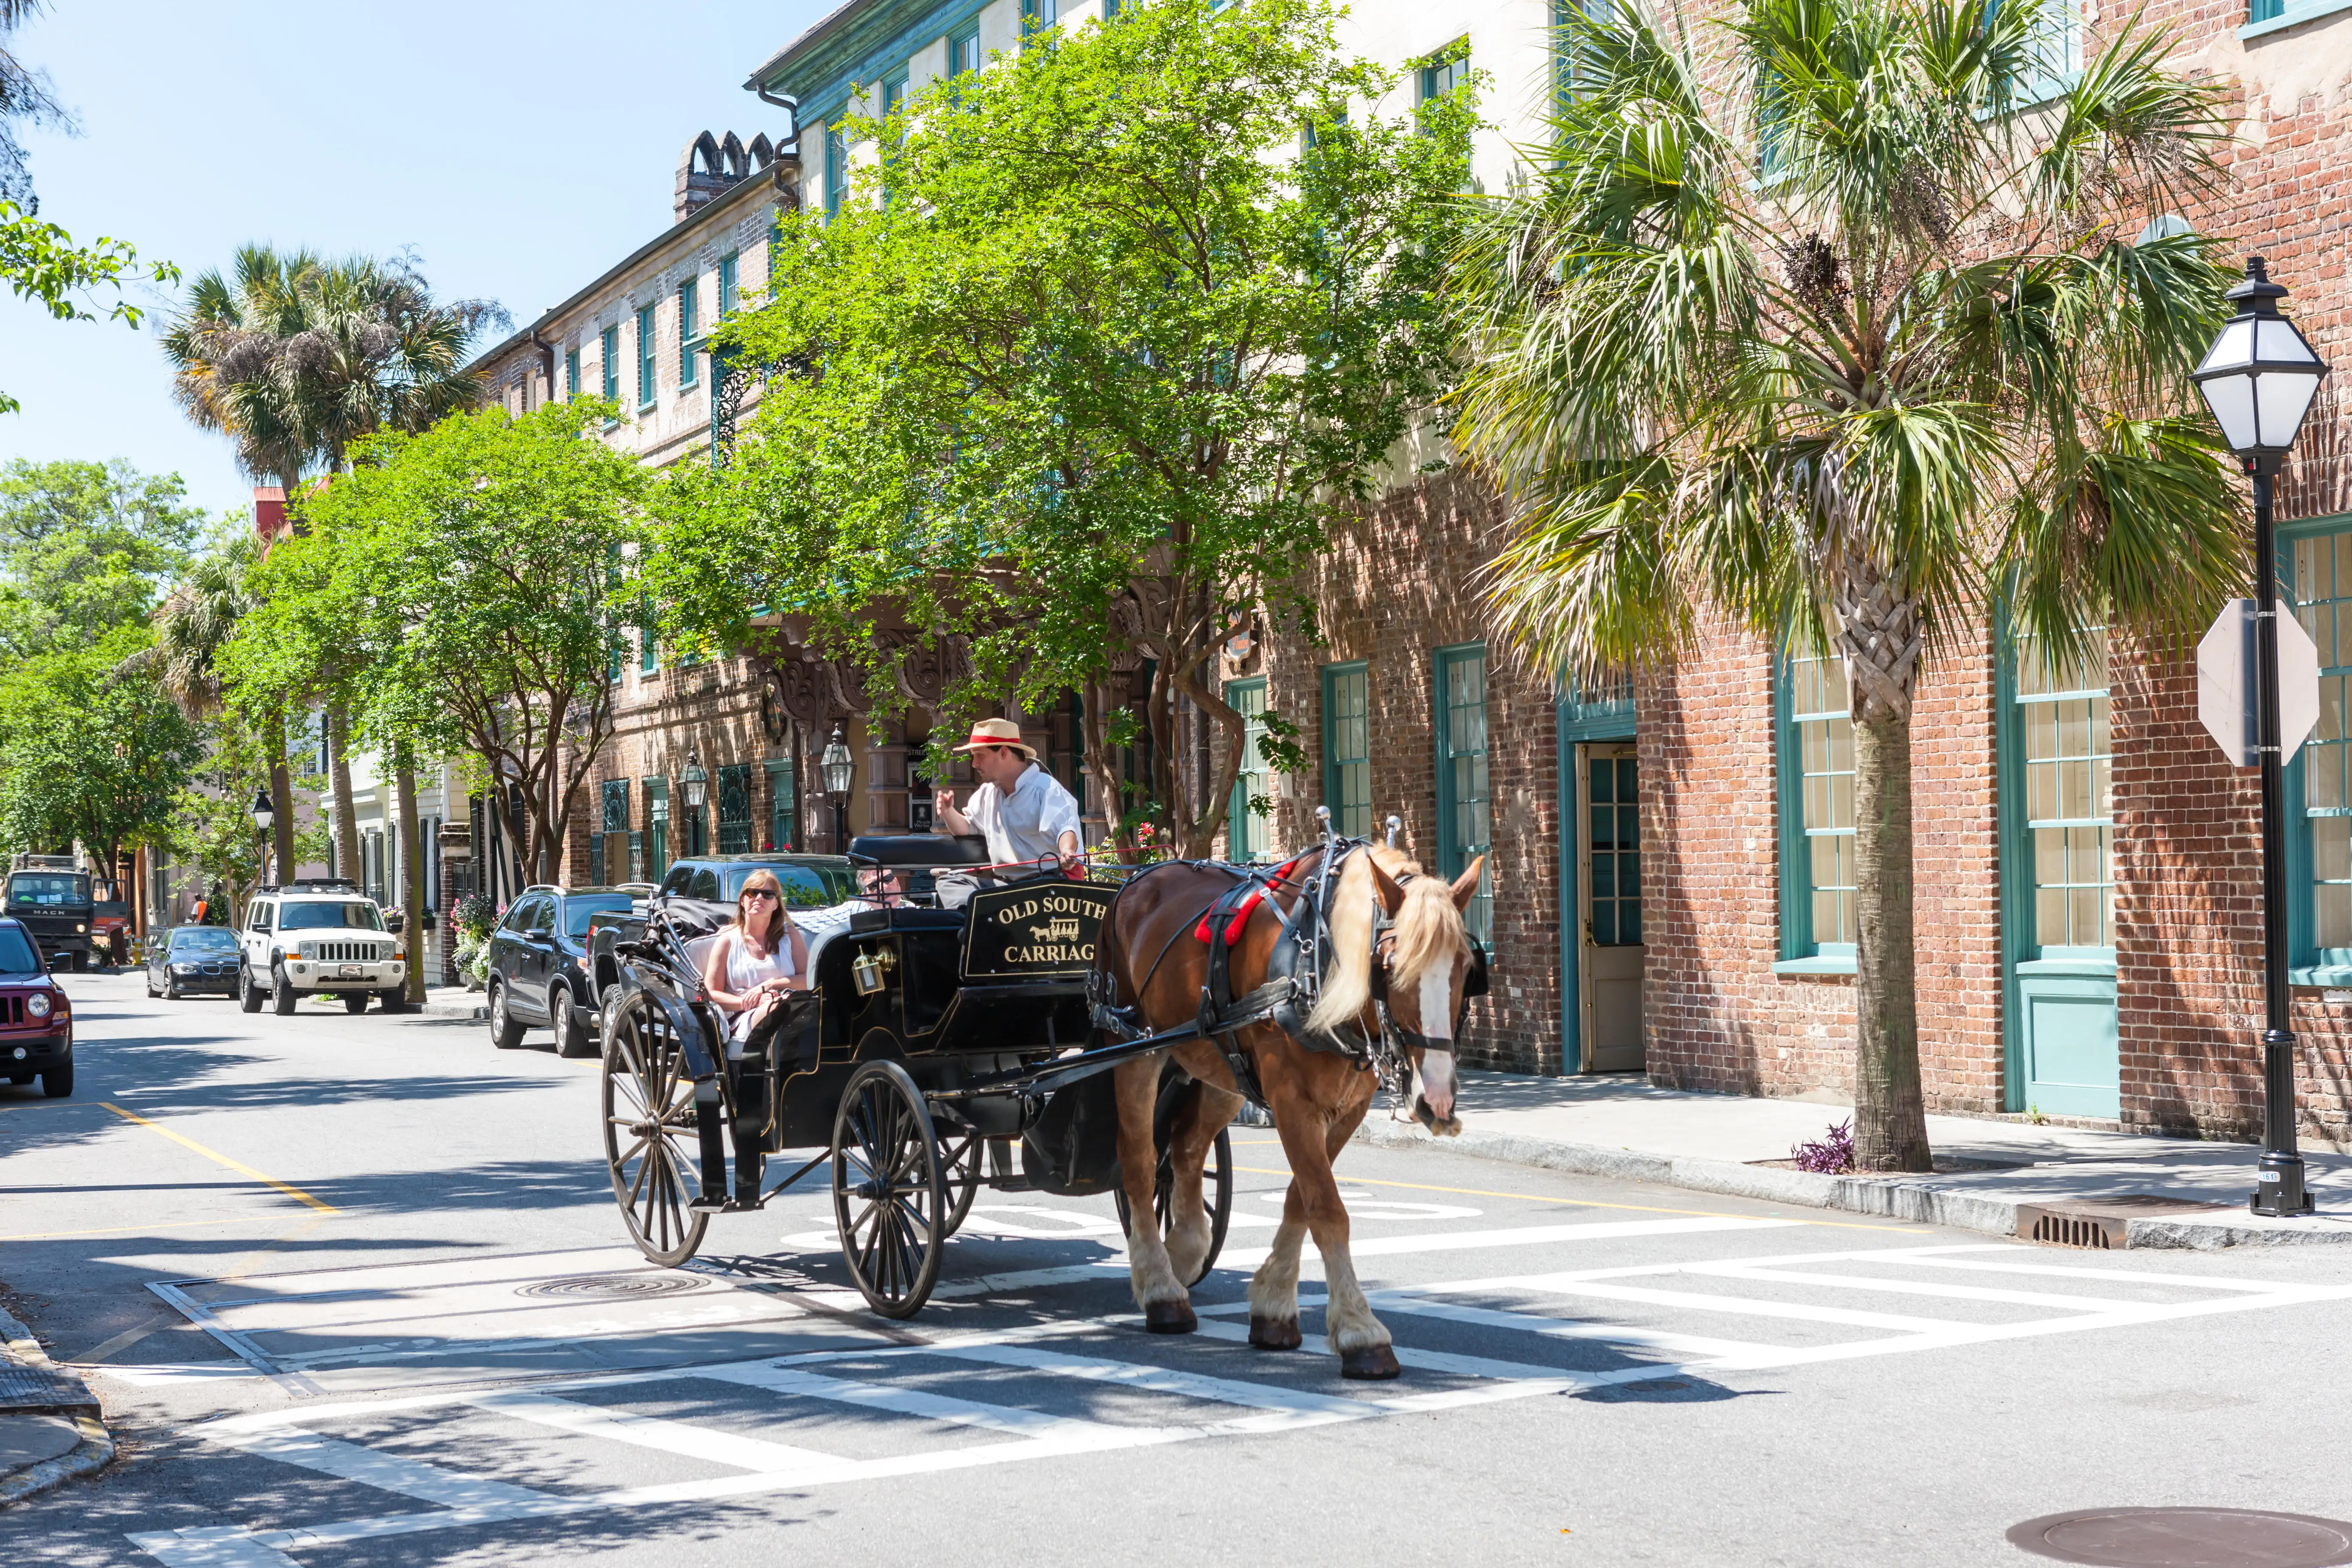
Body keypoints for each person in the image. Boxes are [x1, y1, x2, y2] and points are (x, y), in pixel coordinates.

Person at [934, 718, 1084, 876]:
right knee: (950, 883)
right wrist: (948, 812)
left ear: (1004, 752)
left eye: (980, 755)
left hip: (1047, 882)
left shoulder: (1046, 789)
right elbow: (968, 828)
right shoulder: (987, 793)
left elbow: (1066, 829)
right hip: (1007, 886)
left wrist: (1067, 850)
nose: (974, 764)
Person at [700, 869, 809, 1044]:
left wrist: (770, 985)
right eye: (753, 893)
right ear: (743, 901)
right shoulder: (727, 942)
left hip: (791, 1007)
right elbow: (712, 994)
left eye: (768, 894)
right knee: (779, 1007)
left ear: (776, 904)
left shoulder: (790, 936)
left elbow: (807, 980)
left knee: (795, 1004)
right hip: (744, 1017)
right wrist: (752, 1001)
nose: (759, 898)